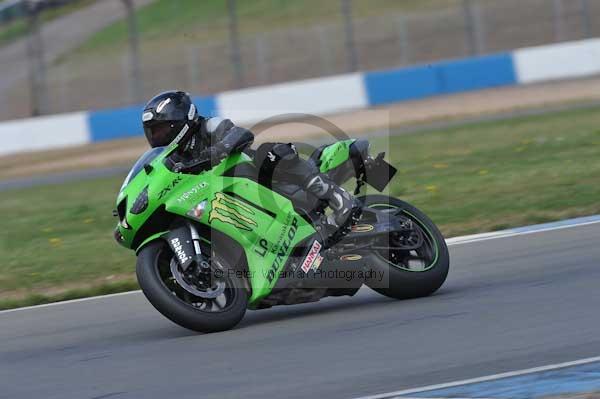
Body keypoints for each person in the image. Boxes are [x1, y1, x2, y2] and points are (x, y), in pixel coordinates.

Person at [141, 90, 359, 233]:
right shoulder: (173, 158)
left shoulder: (207, 126)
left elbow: (240, 134)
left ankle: (339, 199)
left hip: (258, 178)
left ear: (181, 121)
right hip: (226, 199)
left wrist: (218, 150)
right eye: (154, 133)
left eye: (161, 130)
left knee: (271, 152)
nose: (158, 137)